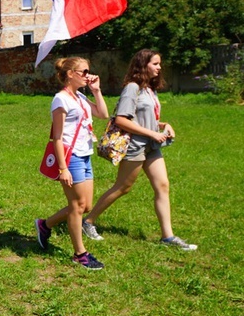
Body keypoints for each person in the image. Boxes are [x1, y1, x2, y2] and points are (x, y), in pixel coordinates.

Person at [82, 49, 197, 250]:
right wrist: (152, 133)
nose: (159, 68)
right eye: (155, 64)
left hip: (152, 146)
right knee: (122, 187)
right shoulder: (132, 88)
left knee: (163, 186)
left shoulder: (150, 90)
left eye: (159, 64)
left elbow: (145, 118)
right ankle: (88, 222)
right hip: (135, 146)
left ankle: (167, 236)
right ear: (143, 66)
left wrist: (163, 125)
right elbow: (121, 120)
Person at [35, 57, 109, 270]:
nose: (88, 76)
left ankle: (45, 224)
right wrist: (63, 168)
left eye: (88, 71)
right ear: (70, 74)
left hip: (85, 155)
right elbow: (57, 137)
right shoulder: (61, 100)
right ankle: (80, 254)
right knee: (77, 207)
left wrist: (96, 90)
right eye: (84, 72)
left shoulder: (81, 98)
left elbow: (103, 114)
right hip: (71, 158)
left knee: (85, 205)